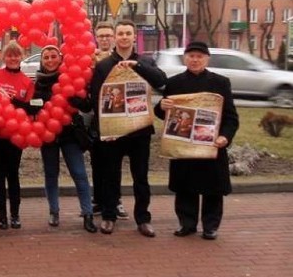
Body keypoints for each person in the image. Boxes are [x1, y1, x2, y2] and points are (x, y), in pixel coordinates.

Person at [88, 20, 167, 237]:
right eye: (120, 33)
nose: (124, 37)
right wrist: (107, 128)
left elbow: (162, 82)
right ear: (115, 37)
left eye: (128, 33)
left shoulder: (145, 61)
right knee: (110, 176)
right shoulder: (103, 66)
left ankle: (143, 219)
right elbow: (96, 99)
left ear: (134, 37)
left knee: (140, 176)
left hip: (140, 130)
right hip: (114, 132)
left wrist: (138, 67)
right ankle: (109, 216)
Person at [154, 42, 239, 239]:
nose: (195, 59)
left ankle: (210, 226)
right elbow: (163, 114)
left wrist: (225, 136)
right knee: (185, 186)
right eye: (191, 56)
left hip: (211, 144)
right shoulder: (174, 83)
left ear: (207, 59)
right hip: (183, 144)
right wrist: (161, 106)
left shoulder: (220, 83)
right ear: (185, 58)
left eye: (199, 56)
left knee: (212, 188)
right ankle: (187, 223)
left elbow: (231, 117)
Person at [19, 45, 97, 233]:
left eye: (54, 56)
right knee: (50, 174)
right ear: (41, 60)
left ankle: (87, 214)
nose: (50, 60)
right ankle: (54, 211)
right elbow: (33, 107)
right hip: (48, 135)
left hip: (70, 133)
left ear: (60, 58)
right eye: (46, 57)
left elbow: (87, 106)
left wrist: (74, 101)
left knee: (79, 173)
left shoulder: (71, 77)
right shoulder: (38, 83)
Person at [0, 41, 32, 230]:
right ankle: (2, 216)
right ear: (3, 57)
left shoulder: (27, 81)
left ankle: (15, 214)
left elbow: (29, 108)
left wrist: (18, 104)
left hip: (15, 136)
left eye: (16, 55)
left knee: (13, 175)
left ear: (21, 57)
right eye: (9, 55)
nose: (13, 58)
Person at [90, 21, 128, 219]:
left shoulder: (119, 59)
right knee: (97, 161)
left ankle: (116, 201)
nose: (104, 39)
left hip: (117, 116)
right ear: (96, 37)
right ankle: (97, 200)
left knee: (114, 163)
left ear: (113, 37)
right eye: (101, 36)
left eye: (107, 35)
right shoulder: (90, 58)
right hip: (96, 117)